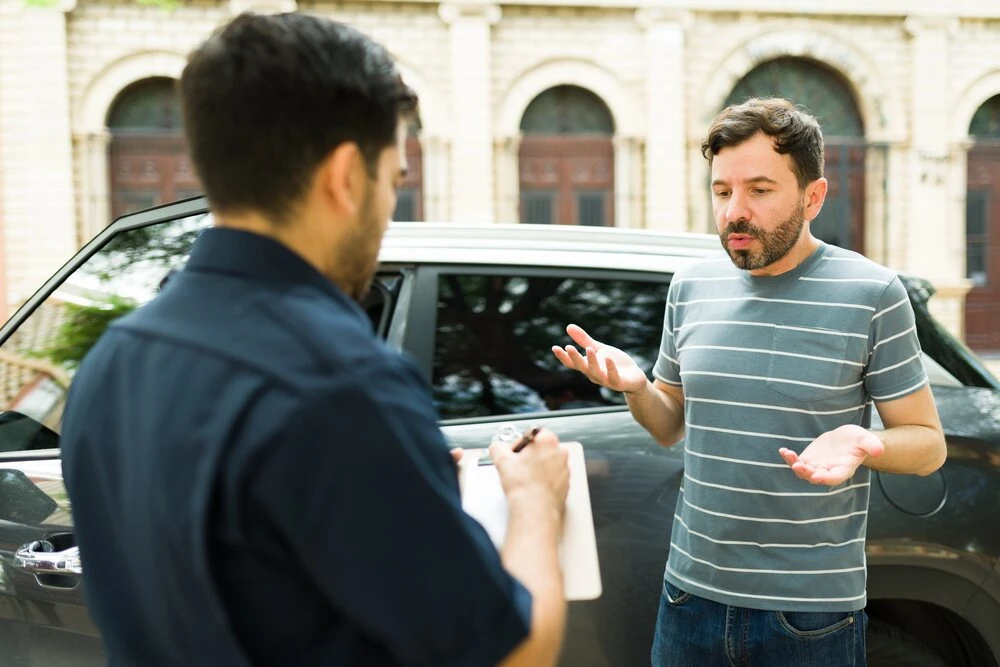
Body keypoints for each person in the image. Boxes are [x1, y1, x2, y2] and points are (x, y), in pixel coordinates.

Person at [60, 12, 569, 667]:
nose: (390, 210)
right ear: (345, 176)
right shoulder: (343, 385)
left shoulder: (108, 365)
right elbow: (516, 652)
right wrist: (535, 502)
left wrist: (395, 480)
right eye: (393, 181)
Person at [552, 97, 947, 666]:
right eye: (721, 191)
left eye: (759, 190)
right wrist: (638, 389)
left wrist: (867, 443)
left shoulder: (873, 294)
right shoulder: (689, 285)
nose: (735, 211)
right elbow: (668, 427)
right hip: (689, 596)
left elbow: (928, 444)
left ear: (813, 197)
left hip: (809, 615)